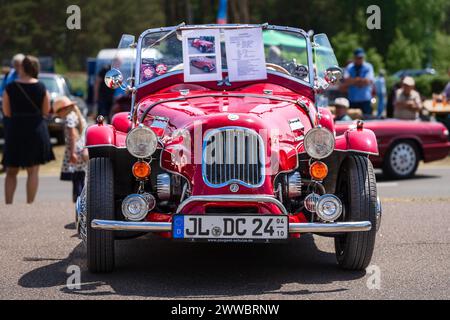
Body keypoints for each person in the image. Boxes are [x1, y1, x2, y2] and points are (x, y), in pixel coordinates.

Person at [2, 55, 55, 204]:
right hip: (36, 130)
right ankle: (30, 205)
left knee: (11, 171)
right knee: (33, 171)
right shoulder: (41, 87)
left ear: (21, 68)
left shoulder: (10, 87)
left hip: (15, 130)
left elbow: (6, 112)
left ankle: (8, 204)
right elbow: (46, 111)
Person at [53, 97, 88, 202]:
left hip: (75, 150)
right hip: (82, 148)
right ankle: (82, 200)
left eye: (58, 113)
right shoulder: (78, 115)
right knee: (80, 176)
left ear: (63, 109)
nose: (59, 115)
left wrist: (72, 153)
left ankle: (78, 201)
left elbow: (72, 135)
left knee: (76, 178)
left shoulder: (69, 117)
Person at [344, 48, 375, 117]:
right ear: (354, 57)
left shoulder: (368, 66)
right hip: (352, 100)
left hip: (365, 100)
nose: (360, 59)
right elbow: (346, 81)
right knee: (353, 122)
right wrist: (360, 81)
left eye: (361, 57)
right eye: (358, 57)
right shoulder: (349, 67)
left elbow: (368, 81)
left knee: (367, 120)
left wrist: (353, 81)